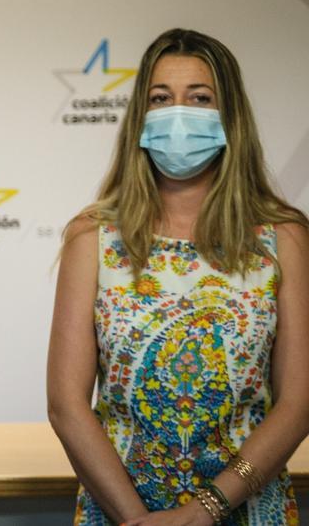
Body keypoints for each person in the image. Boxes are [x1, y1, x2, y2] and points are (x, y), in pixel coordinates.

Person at [47, 29, 309, 525]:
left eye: (200, 98)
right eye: (161, 98)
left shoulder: (283, 238)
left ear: (229, 114)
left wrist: (203, 512)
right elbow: (66, 406)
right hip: (122, 514)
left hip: (248, 510)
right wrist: (137, 520)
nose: (179, 114)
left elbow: (298, 403)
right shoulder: (93, 237)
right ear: (140, 118)